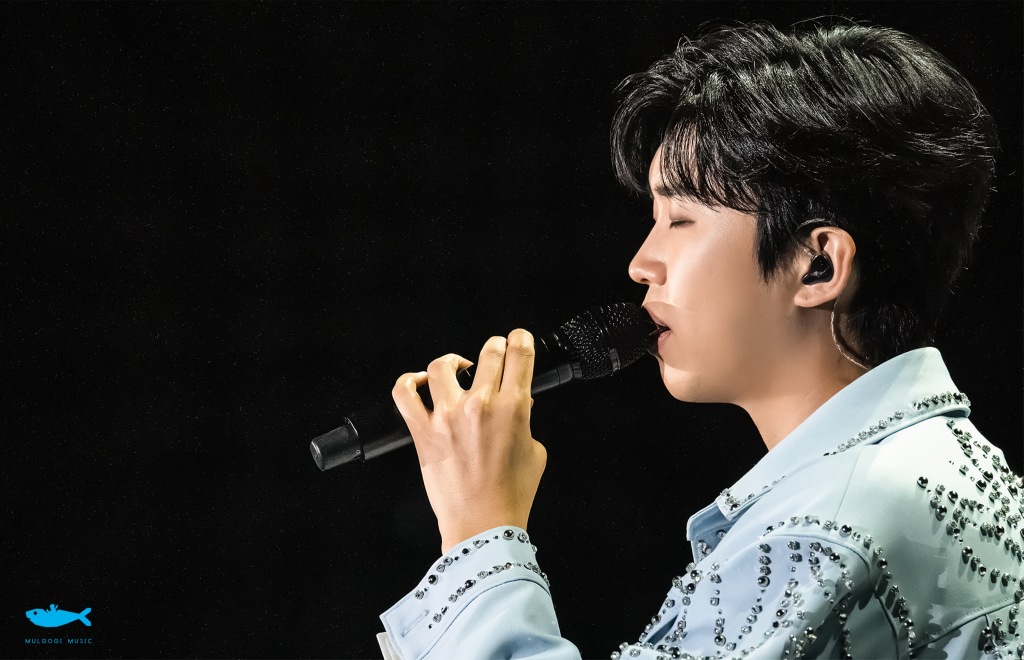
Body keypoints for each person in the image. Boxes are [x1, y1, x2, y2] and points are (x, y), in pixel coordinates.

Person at [377, 19, 1020, 660]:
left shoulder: (827, 529)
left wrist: (480, 533)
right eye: (653, 219)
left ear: (817, 264)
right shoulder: (960, 465)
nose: (642, 263)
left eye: (680, 218)